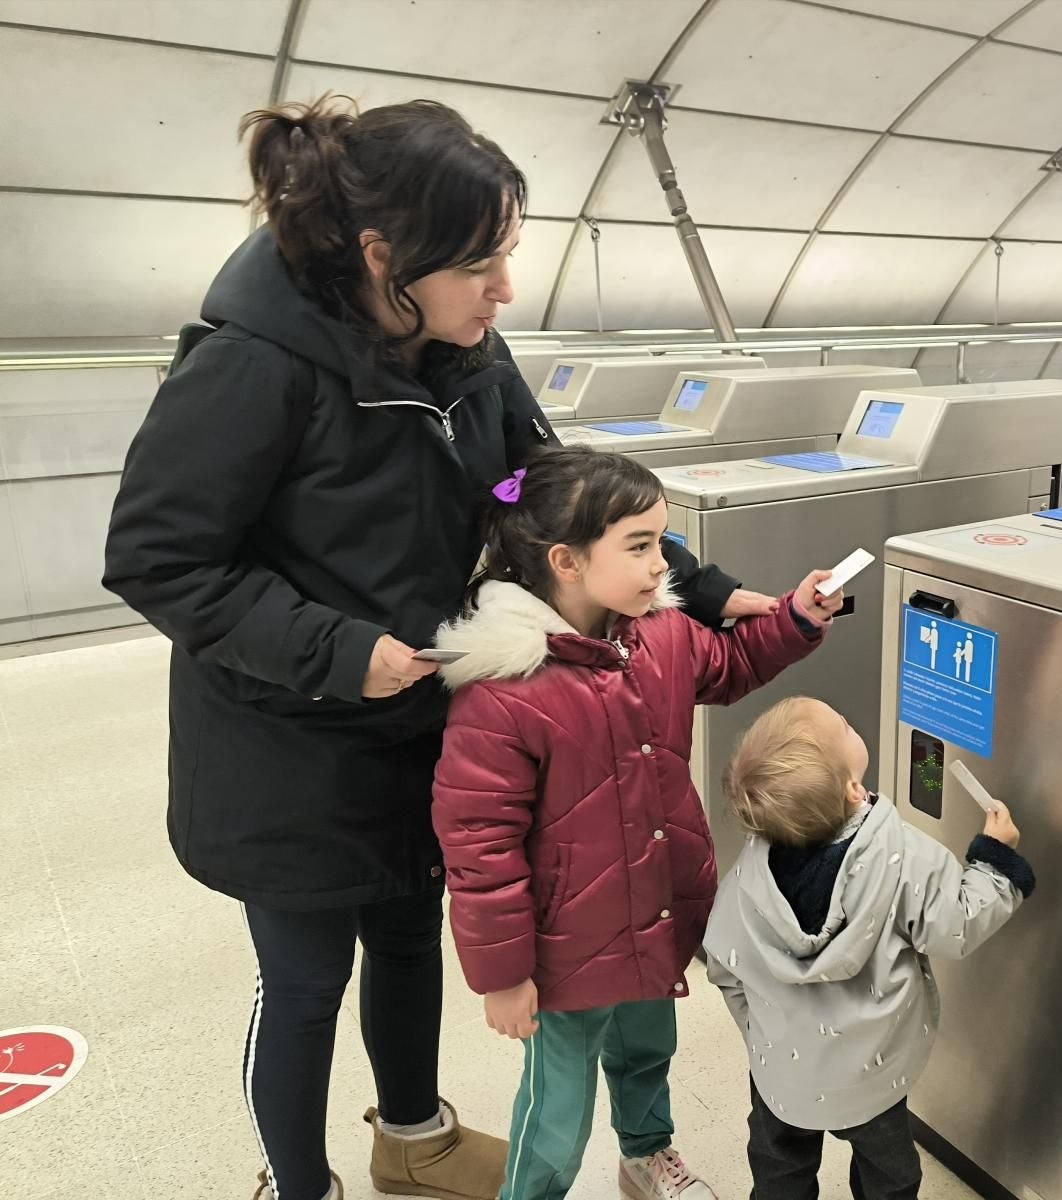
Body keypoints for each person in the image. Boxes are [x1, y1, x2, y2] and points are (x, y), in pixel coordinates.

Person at [101, 95, 772, 1200]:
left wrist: (695, 585)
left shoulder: (465, 354)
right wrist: (335, 649)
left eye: (507, 258)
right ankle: (297, 1184)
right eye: (479, 266)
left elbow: (543, 491)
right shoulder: (252, 368)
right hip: (287, 745)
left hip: (423, 721)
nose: (504, 291)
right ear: (381, 256)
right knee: (306, 980)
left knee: (410, 937)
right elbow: (162, 560)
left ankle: (410, 1137)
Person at [429, 447, 843, 1200]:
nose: (664, 565)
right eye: (642, 546)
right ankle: (534, 1192)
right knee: (556, 1103)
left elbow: (731, 665)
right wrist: (503, 975)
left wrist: (795, 619)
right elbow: (479, 847)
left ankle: (646, 1153)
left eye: (661, 541)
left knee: (648, 1047)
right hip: (565, 940)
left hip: (654, 902)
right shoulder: (502, 692)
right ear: (567, 560)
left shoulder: (660, 637)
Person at [704, 698, 1037, 1200]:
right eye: (842, 722)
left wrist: (761, 1032)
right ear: (854, 788)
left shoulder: (744, 883)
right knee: (890, 1176)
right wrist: (996, 858)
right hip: (872, 1074)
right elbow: (957, 924)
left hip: (782, 1076)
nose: (847, 717)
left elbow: (724, 966)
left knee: (779, 1169)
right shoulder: (902, 858)